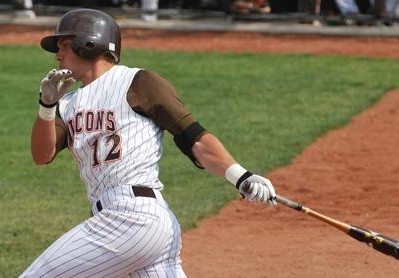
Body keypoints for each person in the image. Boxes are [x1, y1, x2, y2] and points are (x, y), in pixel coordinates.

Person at [23, 8, 277, 277]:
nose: (57, 54)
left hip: (130, 217)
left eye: (63, 45)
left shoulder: (138, 82)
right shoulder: (68, 103)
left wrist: (241, 176)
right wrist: (47, 106)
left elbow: (192, 136)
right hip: (145, 228)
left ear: (89, 43)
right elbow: (42, 154)